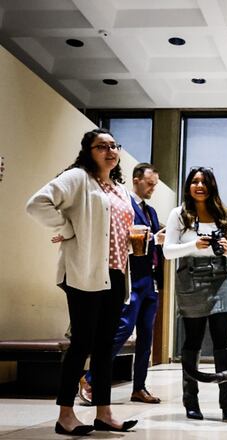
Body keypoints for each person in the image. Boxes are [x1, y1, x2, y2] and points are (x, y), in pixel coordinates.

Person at [26, 128, 139, 435]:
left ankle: (104, 412)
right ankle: (65, 415)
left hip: (115, 274)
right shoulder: (78, 178)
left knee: (104, 347)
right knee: (82, 344)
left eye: (114, 146)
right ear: (88, 151)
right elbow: (37, 204)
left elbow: (113, 230)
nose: (110, 151)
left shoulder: (119, 189)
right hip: (84, 274)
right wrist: (69, 227)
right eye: (101, 146)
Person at [79, 163, 165, 405]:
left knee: (147, 336)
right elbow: (120, 236)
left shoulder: (152, 212)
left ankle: (139, 388)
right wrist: (152, 238)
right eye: (150, 183)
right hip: (131, 277)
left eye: (155, 185)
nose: (152, 188)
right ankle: (90, 378)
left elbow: (155, 243)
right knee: (123, 329)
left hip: (151, 280)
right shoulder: (123, 205)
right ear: (136, 180)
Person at [163, 166, 227, 423]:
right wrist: (193, 245)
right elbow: (168, 251)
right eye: (194, 181)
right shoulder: (179, 214)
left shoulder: (224, 215)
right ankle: (191, 402)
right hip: (191, 279)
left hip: (221, 279)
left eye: (204, 181)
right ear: (188, 186)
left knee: (223, 344)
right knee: (193, 342)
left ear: (211, 186)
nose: (199, 185)